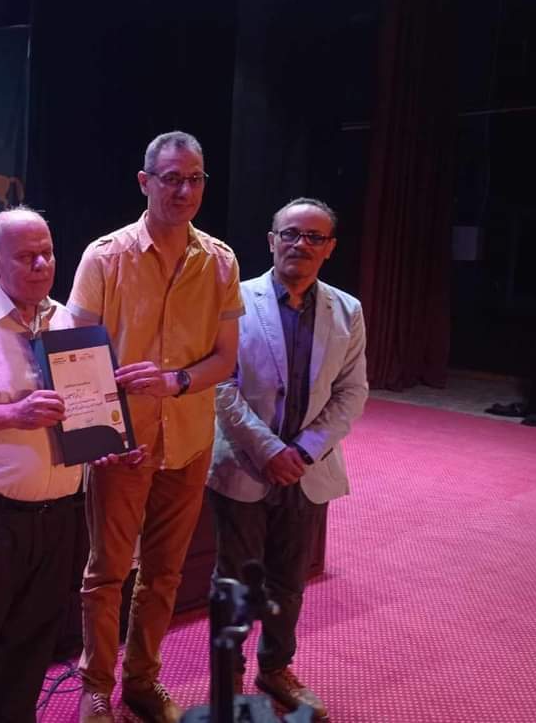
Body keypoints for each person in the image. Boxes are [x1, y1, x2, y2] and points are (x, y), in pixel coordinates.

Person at [0, 207, 145, 723]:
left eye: (48, 253)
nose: (41, 265)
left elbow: (82, 418)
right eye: (26, 256)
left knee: (27, 656)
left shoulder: (71, 323)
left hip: (57, 519)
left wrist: (109, 443)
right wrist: (12, 414)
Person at [69, 131, 244, 723]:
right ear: (145, 182)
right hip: (123, 444)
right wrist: (94, 437)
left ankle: (142, 680)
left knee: (166, 573)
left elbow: (225, 359)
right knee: (107, 572)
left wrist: (176, 380)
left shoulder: (220, 260)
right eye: (171, 178)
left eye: (195, 179)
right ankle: (96, 685)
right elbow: (75, 353)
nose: (184, 191)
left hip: (189, 440)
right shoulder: (105, 256)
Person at [208, 197, 368, 720]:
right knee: (234, 580)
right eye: (291, 234)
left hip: (307, 469)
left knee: (289, 582)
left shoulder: (347, 310)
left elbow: (352, 392)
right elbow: (220, 385)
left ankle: (275, 668)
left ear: (330, 248)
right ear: (271, 240)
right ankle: (228, 675)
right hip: (244, 463)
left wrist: (301, 451)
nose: (301, 244)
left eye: (314, 237)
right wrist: (268, 449)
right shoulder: (233, 300)